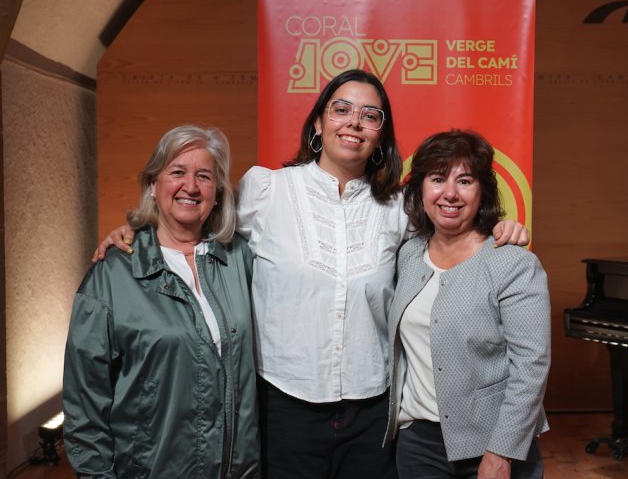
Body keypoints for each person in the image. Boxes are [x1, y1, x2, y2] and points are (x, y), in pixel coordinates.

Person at [93, 69, 529, 479]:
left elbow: (452, 227)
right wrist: (136, 228)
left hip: (372, 413)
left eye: (369, 115)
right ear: (318, 123)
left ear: (381, 135)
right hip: (284, 407)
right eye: (341, 109)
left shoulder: (398, 209)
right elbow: (192, 214)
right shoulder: (266, 190)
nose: (354, 122)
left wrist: (499, 227)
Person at [64, 125, 260, 478]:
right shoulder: (112, 274)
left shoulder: (240, 261)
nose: (191, 186)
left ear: (217, 192)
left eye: (204, 176)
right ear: (153, 185)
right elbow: (84, 404)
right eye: (177, 172)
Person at [384, 129, 551, 479]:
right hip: (417, 444)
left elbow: (531, 366)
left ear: (482, 191)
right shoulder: (409, 255)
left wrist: (501, 451)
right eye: (437, 178)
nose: (449, 193)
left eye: (465, 180)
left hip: (491, 444)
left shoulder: (512, 264)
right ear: (419, 189)